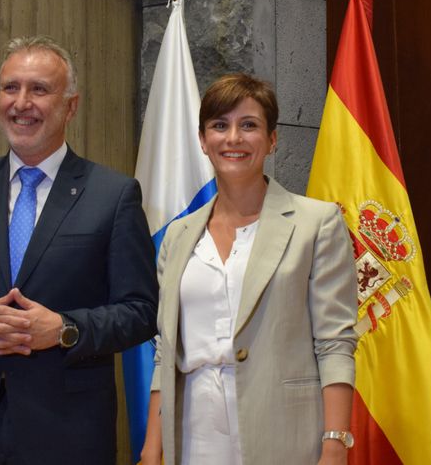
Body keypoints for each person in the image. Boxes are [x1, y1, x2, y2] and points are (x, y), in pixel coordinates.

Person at [0, 35, 158, 465]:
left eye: (39, 89)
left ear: (70, 106)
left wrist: (63, 329)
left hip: (68, 434)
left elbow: (139, 312)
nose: (21, 103)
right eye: (10, 87)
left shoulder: (113, 195)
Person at [140, 73, 358, 465]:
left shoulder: (317, 223)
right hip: (193, 434)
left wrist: (335, 442)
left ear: (272, 140)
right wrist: (150, 450)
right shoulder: (178, 236)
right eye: (220, 126)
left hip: (286, 435)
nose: (234, 138)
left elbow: (335, 342)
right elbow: (165, 352)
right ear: (203, 140)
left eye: (249, 125)